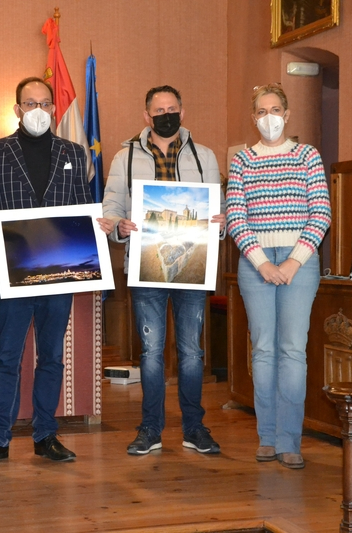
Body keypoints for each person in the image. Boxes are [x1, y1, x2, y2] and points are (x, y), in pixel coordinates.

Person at [0, 77, 114, 466]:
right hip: (12, 272)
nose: (38, 110)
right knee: (7, 358)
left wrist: (95, 226)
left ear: (54, 108)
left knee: (51, 357)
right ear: (17, 109)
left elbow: (81, 207)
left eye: (44, 103)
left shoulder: (73, 152)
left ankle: (46, 435)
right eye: (29, 103)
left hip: (60, 273)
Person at [102, 85, 225, 456]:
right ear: (147, 116)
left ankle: (194, 428)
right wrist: (119, 226)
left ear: (182, 112)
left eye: (172, 109)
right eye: (159, 110)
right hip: (143, 268)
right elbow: (111, 208)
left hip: (194, 270)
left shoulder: (205, 156)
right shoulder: (124, 157)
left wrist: (220, 223)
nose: (166, 115)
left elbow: (218, 210)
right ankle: (150, 429)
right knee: (151, 353)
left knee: (192, 353)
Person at [225, 83, 331, 470]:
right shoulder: (242, 160)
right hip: (256, 264)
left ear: (286, 115)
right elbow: (236, 216)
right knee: (264, 350)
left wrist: (292, 262)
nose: (268, 117)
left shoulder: (307, 155)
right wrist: (262, 263)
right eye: (260, 111)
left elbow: (321, 213)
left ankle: (289, 440)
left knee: (292, 351)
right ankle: (267, 437)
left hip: (298, 262)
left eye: (274, 110)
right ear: (253, 117)